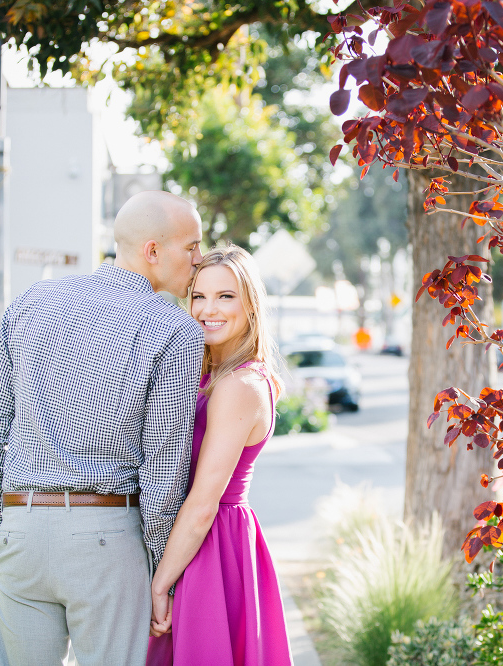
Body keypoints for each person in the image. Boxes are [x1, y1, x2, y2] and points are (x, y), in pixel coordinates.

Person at [0, 191, 205, 665]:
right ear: (152, 251)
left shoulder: (32, 303)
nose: (199, 261)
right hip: (106, 541)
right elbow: (163, 466)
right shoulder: (175, 330)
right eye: (192, 247)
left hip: (19, 532)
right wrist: (161, 573)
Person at [146, 244, 293, 666]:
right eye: (199, 296)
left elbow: (203, 502)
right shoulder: (210, 374)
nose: (208, 309)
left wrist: (160, 584)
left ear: (250, 304)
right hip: (194, 542)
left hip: (210, 547)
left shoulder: (239, 386)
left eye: (225, 296)